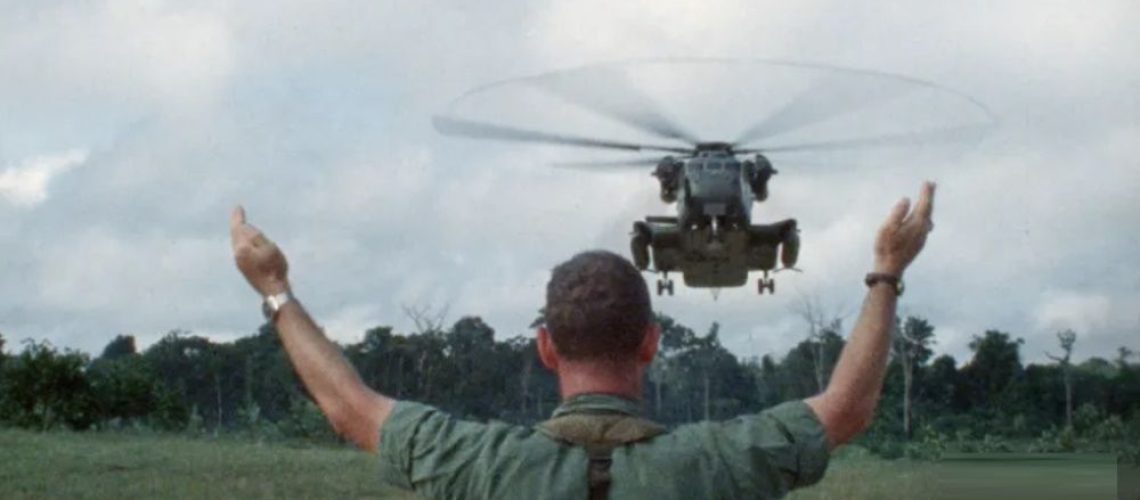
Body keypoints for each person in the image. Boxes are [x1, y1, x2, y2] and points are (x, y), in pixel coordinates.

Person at [229, 182, 937, 499]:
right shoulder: (718, 463)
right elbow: (847, 407)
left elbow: (349, 407)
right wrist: (885, 274)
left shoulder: (480, 464)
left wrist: (276, 291)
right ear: (651, 345)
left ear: (546, 349)